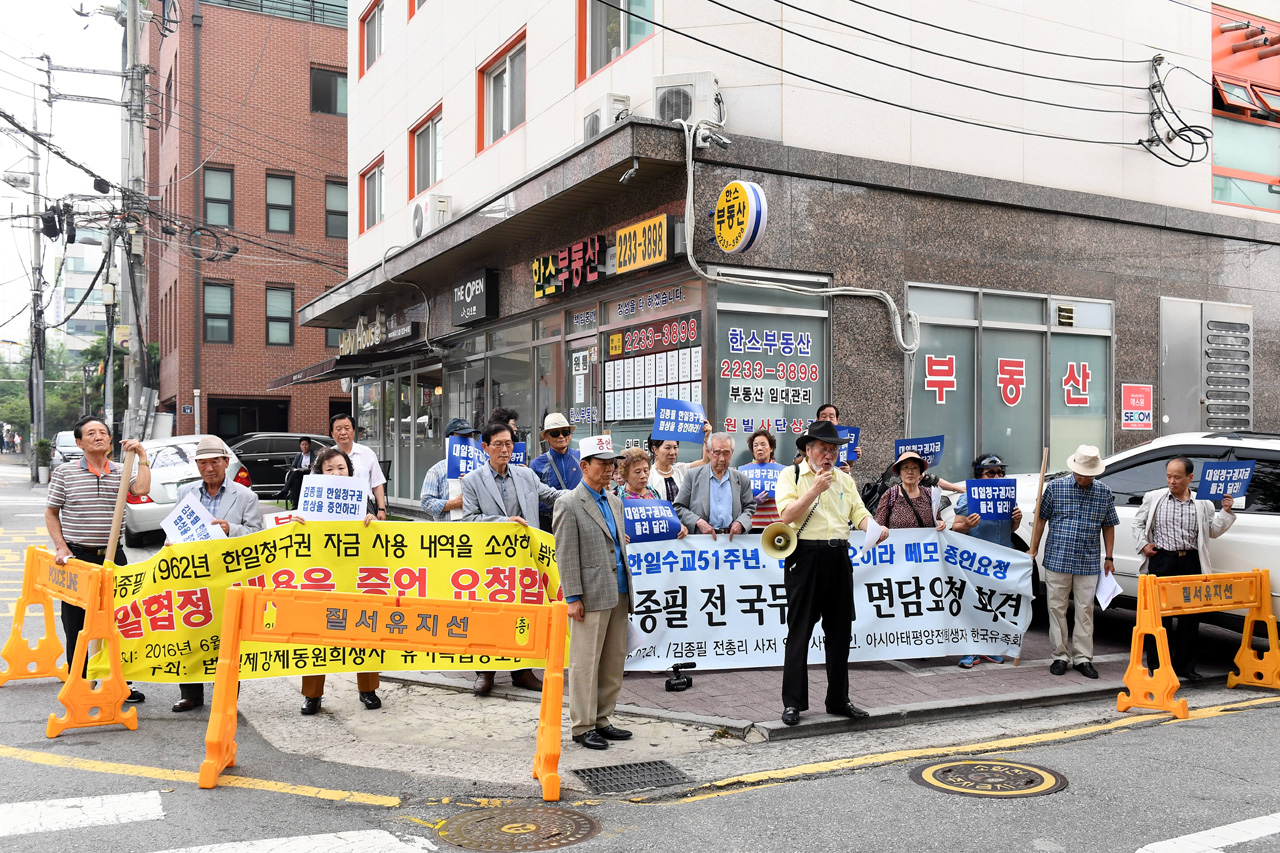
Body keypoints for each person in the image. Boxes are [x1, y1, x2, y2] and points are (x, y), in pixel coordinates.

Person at [774, 420, 887, 726]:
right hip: (805, 556)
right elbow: (786, 515)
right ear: (807, 449)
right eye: (822, 448)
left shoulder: (844, 480)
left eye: (834, 449)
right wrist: (814, 489)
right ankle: (793, 703)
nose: (828, 455)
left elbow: (858, 512)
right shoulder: (791, 475)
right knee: (800, 631)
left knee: (839, 632)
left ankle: (838, 699)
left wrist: (873, 529)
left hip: (838, 556)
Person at [44, 415, 151, 703]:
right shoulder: (66, 473)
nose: (98, 436)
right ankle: (79, 684)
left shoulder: (121, 469)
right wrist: (61, 547)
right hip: (78, 557)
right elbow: (52, 512)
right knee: (76, 623)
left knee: (119, 620)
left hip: (114, 556)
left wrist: (141, 456)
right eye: (91, 433)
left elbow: (141, 489)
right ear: (79, 442)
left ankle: (118, 683)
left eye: (103, 432)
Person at [462, 421, 569, 695]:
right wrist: (504, 522)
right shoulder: (473, 480)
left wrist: (586, 494)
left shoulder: (526, 475)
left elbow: (552, 497)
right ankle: (485, 672)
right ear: (485, 447)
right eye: (497, 444)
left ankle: (522, 671)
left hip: (525, 562)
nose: (504, 449)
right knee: (489, 616)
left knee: (526, 614)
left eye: (509, 443)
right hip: (491, 561)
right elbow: (470, 519)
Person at [172, 437, 266, 712]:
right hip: (192, 575)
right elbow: (175, 528)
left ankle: (225, 696)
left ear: (226, 462)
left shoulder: (245, 495)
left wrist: (231, 529)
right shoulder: (185, 492)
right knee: (190, 634)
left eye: (215, 461)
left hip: (228, 576)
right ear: (197, 465)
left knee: (227, 636)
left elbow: (257, 535)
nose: (209, 467)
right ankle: (190, 693)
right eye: (203, 462)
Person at [555, 435, 633, 750]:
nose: (609, 469)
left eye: (612, 464)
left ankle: (603, 718)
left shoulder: (614, 501)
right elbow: (566, 553)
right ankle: (582, 725)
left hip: (619, 591)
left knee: (613, 660)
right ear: (584, 466)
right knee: (585, 662)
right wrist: (573, 598)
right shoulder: (569, 502)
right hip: (589, 595)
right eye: (602, 464)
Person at [1133, 456, 1236, 681]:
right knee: (1159, 618)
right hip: (1162, 560)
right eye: (1169, 476)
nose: (1172, 481)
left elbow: (1213, 531)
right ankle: (1158, 667)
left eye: (1177, 477)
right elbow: (1138, 523)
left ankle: (1186, 667)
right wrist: (1143, 544)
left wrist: (1226, 512)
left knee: (1190, 618)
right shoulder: (1154, 498)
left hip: (1190, 561)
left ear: (1189, 478)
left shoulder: (1203, 503)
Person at [298, 446, 381, 715]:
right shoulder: (310, 501)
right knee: (315, 633)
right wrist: (296, 522)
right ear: (320, 473)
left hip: (355, 576)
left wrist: (372, 522)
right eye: (329, 469)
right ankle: (312, 695)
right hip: (321, 577)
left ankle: (368, 689)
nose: (336, 472)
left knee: (363, 629)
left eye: (341, 468)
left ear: (350, 470)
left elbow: (378, 541)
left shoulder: (363, 499)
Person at [1027, 445, 1120, 680]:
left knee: (1085, 610)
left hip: (1088, 560)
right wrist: (1034, 546)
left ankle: (1083, 658)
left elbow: (1108, 525)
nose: (1083, 479)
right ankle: (1059, 655)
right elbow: (1041, 519)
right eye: (1080, 474)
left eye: (1088, 475)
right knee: (1056, 608)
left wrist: (1109, 557)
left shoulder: (1104, 492)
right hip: (1058, 557)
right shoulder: (1055, 488)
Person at [952, 453, 1023, 668]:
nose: (997, 475)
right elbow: (956, 527)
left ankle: (991, 648)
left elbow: (1009, 529)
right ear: (980, 476)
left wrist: (1017, 521)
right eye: (991, 472)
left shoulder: (1008, 496)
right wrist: (969, 525)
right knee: (974, 604)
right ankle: (970, 650)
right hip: (977, 560)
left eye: (1000, 472)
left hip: (1001, 557)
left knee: (996, 603)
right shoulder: (968, 497)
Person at [673, 432, 756, 539]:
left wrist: (741, 522)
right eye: (716, 452)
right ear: (708, 452)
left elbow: (749, 506)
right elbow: (678, 507)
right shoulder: (692, 476)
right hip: (702, 540)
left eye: (726, 453)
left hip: (733, 540)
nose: (722, 458)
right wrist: (697, 521)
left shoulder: (742, 479)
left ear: (732, 452)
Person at [615, 446, 689, 538]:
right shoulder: (618, 500)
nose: (643, 476)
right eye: (637, 472)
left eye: (646, 470)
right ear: (625, 475)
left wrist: (679, 527)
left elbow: (667, 520)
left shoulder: (654, 493)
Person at [419, 418, 481, 522]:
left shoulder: (481, 467)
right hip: (448, 533)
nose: (467, 439)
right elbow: (426, 503)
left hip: (476, 529)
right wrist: (455, 503)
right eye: (462, 436)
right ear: (450, 438)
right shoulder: (437, 470)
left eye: (469, 435)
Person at [528, 413, 581, 532]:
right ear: (546, 437)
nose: (561, 436)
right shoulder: (537, 464)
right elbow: (533, 499)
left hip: (578, 518)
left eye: (565, 432)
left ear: (570, 435)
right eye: (555, 433)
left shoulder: (581, 458)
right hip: (549, 522)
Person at [329, 413, 386, 521]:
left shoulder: (367, 453)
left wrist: (381, 509)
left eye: (347, 428)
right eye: (338, 429)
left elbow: (377, 483)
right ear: (332, 433)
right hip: (333, 506)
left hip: (364, 506)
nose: (343, 433)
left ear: (354, 431)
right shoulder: (325, 457)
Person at [875, 451, 946, 531]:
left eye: (915, 468)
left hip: (924, 543)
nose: (910, 472)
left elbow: (938, 519)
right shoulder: (891, 495)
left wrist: (940, 523)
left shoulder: (929, 494)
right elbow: (878, 525)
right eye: (905, 467)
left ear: (920, 472)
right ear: (899, 473)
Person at [646, 421, 712, 502]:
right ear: (655, 449)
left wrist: (706, 439)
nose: (673, 452)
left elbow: (705, 462)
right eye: (667, 448)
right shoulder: (648, 474)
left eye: (675, 447)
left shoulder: (680, 469)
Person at [744, 429, 786, 531]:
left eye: (763, 444)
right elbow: (738, 502)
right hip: (751, 527)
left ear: (771, 448)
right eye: (755, 445)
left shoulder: (783, 471)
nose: (759, 448)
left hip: (776, 525)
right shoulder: (744, 472)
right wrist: (753, 501)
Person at [272, 436, 315, 509]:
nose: (304, 447)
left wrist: (306, 469)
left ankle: (285, 491)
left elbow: (315, 467)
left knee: (296, 476)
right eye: (302, 445)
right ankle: (295, 505)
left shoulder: (314, 455)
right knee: (296, 480)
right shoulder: (299, 455)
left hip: (310, 475)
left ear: (310, 445)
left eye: (306, 445)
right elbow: (292, 467)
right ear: (300, 446)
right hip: (299, 475)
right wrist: (295, 469)